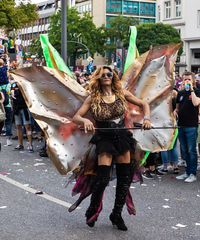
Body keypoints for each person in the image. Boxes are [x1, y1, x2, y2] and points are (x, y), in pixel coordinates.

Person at [72, 66, 151, 231]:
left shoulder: (122, 93)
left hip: (122, 138)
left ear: (113, 76)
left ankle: (116, 214)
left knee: (125, 179)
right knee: (102, 179)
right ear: (99, 79)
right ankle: (93, 210)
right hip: (104, 139)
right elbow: (76, 116)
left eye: (109, 74)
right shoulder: (93, 98)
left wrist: (147, 119)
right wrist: (85, 121)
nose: (107, 76)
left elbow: (144, 103)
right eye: (103, 75)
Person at [175, 72, 200, 183]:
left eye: (189, 79)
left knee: (191, 150)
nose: (187, 81)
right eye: (185, 79)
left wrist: (191, 90)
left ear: (193, 80)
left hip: (192, 126)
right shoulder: (180, 93)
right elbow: (177, 108)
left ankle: (192, 173)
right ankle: (187, 171)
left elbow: (195, 103)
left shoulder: (197, 91)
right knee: (184, 151)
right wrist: (174, 112)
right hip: (181, 125)